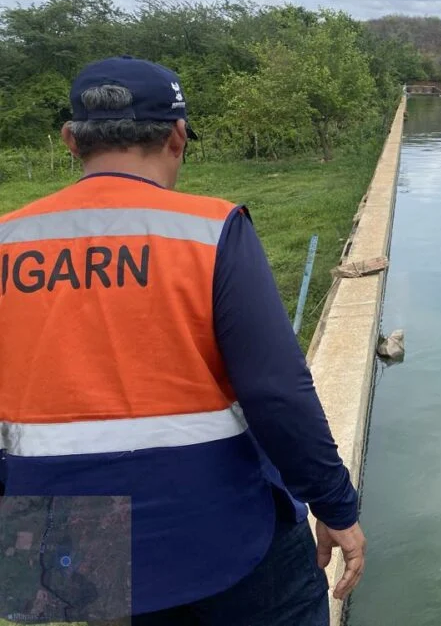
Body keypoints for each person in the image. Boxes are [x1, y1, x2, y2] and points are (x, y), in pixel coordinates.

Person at [0, 56, 366, 625]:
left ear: (72, 141)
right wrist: (336, 504)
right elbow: (276, 391)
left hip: (61, 532)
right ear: (176, 136)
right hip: (215, 523)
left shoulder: (8, 243)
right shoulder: (209, 230)